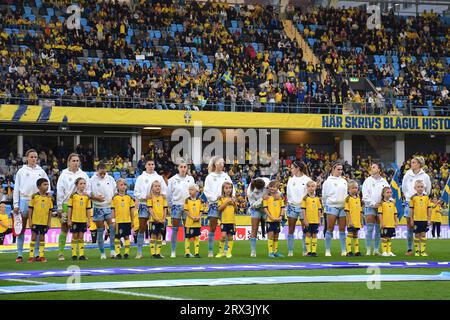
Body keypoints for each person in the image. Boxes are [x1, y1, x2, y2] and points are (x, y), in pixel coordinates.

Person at [13, 149, 51, 263]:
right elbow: (16, 188)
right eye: (32, 157)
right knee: (22, 228)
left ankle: (36, 254)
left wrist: (48, 193)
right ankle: (19, 254)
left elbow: (47, 183)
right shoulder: (21, 171)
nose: (34, 159)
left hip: (38, 201)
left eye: (35, 157)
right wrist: (15, 204)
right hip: (24, 199)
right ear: (26, 158)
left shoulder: (41, 171)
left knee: (37, 229)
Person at [56, 153, 90, 261]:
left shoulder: (83, 174)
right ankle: (61, 253)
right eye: (73, 161)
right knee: (64, 228)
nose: (75, 163)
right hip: (67, 204)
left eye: (77, 161)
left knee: (80, 231)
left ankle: (80, 253)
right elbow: (60, 191)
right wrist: (60, 207)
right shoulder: (64, 174)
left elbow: (88, 189)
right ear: (69, 162)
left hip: (80, 205)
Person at [134, 158, 167, 259]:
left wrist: (159, 195)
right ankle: (139, 252)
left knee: (158, 231)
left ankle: (157, 252)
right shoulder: (140, 178)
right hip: (144, 205)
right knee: (142, 228)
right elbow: (136, 193)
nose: (151, 166)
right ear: (145, 165)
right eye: (149, 164)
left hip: (157, 206)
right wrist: (145, 196)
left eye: (152, 164)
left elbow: (165, 192)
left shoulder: (159, 178)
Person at [203, 156, 234, 258]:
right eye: (219, 163)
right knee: (212, 227)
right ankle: (210, 250)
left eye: (223, 163)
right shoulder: (210, 176)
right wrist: (216, 198)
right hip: (214, 204)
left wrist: (231, 198)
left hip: (226, 205)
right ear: (215, 164)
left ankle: (225, 250)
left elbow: (232, 188)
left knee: (227, 228)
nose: (221, 165)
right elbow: (206, 191)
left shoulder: (226, 176)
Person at [401, 156, 431, 256]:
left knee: (422, 229)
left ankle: (421, 250)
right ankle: (410, 249)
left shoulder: (425, 176)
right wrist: (409, 198)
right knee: (410, 226)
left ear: (419, 164)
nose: (411, 164)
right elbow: (404, 189)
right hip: (410, 203)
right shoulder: (407, 175)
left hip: (421, 204)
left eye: (414, 162)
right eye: (412, 162)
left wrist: (420, 198)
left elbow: (428, 190)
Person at [167, 158, 195, 258]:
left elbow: (193, 192)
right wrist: (171, 206)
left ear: (187, 168)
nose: (183, 169)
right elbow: (168, 194)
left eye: (185, 167)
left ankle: (187, 251)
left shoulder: (191, 179)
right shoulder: (172, 179)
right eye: (181, 167)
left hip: (188, 207)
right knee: (175, 229)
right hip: (176, 206)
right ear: (178, 168)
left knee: (187, 229)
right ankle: (173, 251)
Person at [90, 162, 117, 259]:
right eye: (101, 173)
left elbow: (114, 192)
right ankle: (102, 253)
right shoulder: (92, 180)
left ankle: (113, 250)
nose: (102, 175)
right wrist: (96, 198)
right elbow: (89, 194)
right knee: (100, 230)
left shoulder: (110, 179)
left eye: (104, 173)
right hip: (98, 207)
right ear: (97, 171)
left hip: (109, 207)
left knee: (112, 229)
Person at [362, 163, 389, 256]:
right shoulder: (367, 181)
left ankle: (376, 250)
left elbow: (388, 193)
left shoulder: (384, 182)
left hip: (381, 208)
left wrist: (390, 200)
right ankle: (368, 250)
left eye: (374, 167)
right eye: (371, 167)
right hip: (370, 207)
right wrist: (374, 204)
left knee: (378, 230)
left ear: (379, 170)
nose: (371, 168)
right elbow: (365, 196)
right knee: (369, 229)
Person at [322, 161, 348, 257]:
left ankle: (343, 250)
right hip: (332, 206)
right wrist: (326, 206)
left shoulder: (344, 181)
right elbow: (324, 196)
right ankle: (328, 250)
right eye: (338, 169)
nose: (340, 171)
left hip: (343, 207)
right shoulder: (327, 182)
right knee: (330, 228)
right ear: (333, 169)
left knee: (342, 229)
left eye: (341, 169)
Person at [286, 160, 312, 256]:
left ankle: (305, 250)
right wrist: (290, 203)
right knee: (290, 229)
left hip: (303, 208)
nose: (291, 170)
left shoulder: (307, 180)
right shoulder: (290, 180)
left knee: (305, 229)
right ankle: (290, 251)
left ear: (298, 168)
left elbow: (310, 193)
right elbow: (288, 194)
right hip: (292, 206)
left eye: (292, 168)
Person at [27, 178, 53, 262]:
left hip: (44, 222)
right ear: (39, 186)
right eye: (44, 185)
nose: (47, 186)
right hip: (35, 221)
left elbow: (50, 211)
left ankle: (41, 256)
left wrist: (49, 222)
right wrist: (30, 220)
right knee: (33, 237)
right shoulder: (35, 196)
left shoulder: (49, 198)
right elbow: (30, 209)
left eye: (47, 185)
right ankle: (31, 256)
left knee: (42, 238)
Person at [67, 177, 91, 261]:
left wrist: (88, 220)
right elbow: (70, 208)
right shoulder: (73, 196)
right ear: (76, 185)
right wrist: (69, 219)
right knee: (75, 236)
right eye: (81, 184)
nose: (83, 185)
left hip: (83, 220)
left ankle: (81, 255)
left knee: (81, 236)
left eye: (84, 183)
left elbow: (88, 209)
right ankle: (74, 254)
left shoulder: (87, 197)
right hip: (75, 220)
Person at [247, 177, 270, 257]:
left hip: (267, 208)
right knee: (254, 229)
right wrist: (261, 199)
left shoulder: (267, 182)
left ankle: (272, 251)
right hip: (256, 209)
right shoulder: (250, 191)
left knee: (270, 229)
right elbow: (252, 205)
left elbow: (276, 191)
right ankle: (253, 251)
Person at [112, 179, 135, 259]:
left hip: (127, 220)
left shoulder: (129, 197)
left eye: (124, 185)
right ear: (117, 187)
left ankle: (126, 253)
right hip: (118, 221)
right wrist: (113, 221)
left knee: (126, 236)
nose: (123, 186)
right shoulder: (115, 198)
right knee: (117, 237)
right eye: (121, 185)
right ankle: (118, 253)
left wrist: (132, 220)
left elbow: (132, 210)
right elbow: (113, 210)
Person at [263, 180, 285, 258]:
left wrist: (281, 216)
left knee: (276, 235)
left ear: (277, 188)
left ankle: (275, 251)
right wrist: (271, 217)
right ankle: (270, 252)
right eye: (271, 186)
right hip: (270, 220)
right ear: (268, 187)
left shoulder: (279, 197)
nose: (272, 188)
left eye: (274, 187)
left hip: (278, 219)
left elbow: (282, 207)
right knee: (271, 234)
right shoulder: (266, 197)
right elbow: (265, 209)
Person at [410, 180, 432, 256]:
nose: (420, 188)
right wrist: (411, 219)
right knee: (416, 235)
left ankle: (422, 252)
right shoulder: (413, 198)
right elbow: (411, 209)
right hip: (416, 220)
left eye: (422, 187)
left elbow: (429, 209)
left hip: (424, 220)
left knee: (423, 235)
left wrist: (429, 219)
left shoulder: (426, 198)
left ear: (424, 188)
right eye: (418, 187)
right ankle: (417, 251)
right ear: (415, 188)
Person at [216, 181, 237, 258]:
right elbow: (219, 209)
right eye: (226, 188)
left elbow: (236, 210)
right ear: (223, 189)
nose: (228, 190)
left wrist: (234, 203)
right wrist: (226, 202)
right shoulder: (221, 198)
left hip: (231, 221)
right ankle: (220, 252)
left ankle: (228, 252)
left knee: (230, 237)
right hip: (224, 221)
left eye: (230, 188)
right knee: (223, 236)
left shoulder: (234, 198)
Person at [301, 181, 322, 257]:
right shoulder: (305, 198)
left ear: (315, 187)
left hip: (315, 220)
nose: (311, 188)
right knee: (308, 234)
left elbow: (319, 210)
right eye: (309, 186)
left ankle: (314, 251)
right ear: (307, 188)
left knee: (314, 235)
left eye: (313, 186)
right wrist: (305, 220)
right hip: (308, 220)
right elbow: (303, 210)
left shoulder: (317, 198)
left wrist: (319, 220)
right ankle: (308, 251)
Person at [147, 180, 168, 259]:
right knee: (153, 235)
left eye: (159, 186)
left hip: (161, 220)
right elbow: (150, 208)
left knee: (159, 235)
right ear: (152, 188)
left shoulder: (163, 197)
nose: (157, 187)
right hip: (153, 220)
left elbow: (165, 209)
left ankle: (158, 253)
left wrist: (163, 218)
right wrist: (155, 217)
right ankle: (153, 253)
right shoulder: (150, 197)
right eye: (155, 186)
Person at [184, 184, 204, 258]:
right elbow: (186, 211)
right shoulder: (187, 200)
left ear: (196, 191)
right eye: (189, 189)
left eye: (191, 189)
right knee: (187, 237)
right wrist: (192, 217)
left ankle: (196, 253)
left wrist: (199, 216)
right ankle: (187, 253)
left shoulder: (200, 200)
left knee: (196, 237)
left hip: (197, 223)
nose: (190, 191)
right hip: (189, 223)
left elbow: (201, 210)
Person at [344, 180, 363, 256]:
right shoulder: (348, 199)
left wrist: (361, 221)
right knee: (350, 234)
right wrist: (349, 221)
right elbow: (347, 211)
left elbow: (360, 211)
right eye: (353, 188)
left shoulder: (358, 198)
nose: (354, 189)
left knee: (355, 235)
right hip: (351, 221)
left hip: (357, 221)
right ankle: (348, 251)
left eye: (356, 188)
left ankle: (356, 251)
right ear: (348, 189)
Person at [378, 187, 398, 257]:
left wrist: (396, 222)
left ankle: (389, 251)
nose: (389, 194)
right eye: (387, 192)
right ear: (383, 194)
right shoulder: (381, 203)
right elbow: (380, 214)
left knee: (389, 237)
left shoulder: (392, 204)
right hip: (385, 224)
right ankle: (384, 252)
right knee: (384, 238)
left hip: (391, 224)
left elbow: (395, 213)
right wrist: (382, 222)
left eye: (390, 192)